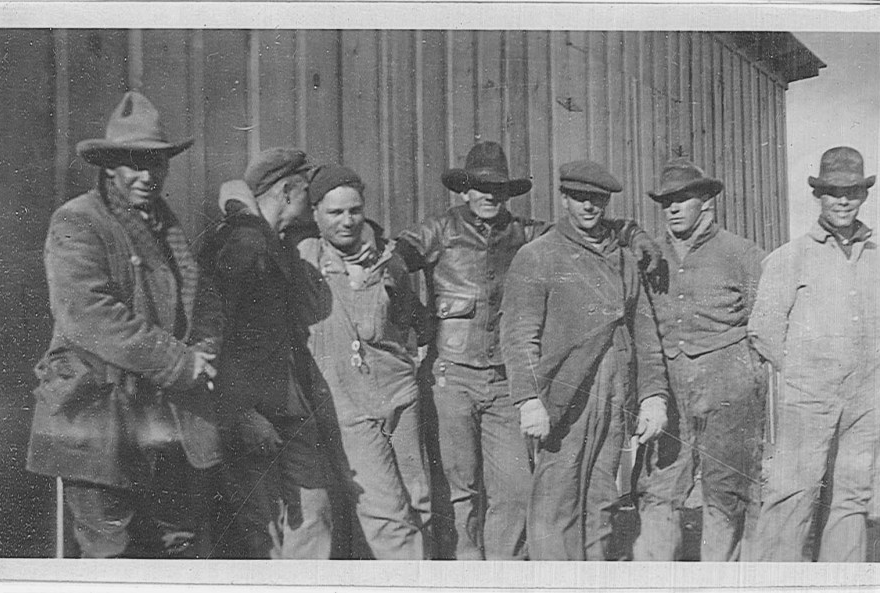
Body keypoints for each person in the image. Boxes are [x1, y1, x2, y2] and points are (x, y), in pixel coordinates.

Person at [395, 142, 660, 560]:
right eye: (480, 188)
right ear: (464, 191)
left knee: (516, 491)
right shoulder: (438, 231)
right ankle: (465, 576)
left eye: (498, 189)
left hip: (504, 382)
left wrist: (635, 234)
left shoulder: (526, 234)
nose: (489, 196)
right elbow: (390, 266)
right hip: (452, 376)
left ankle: (506, 576)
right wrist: (419, 320)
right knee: (458, 489)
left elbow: (591, 226)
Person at [26, 90, 223, 558]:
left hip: (165, 416)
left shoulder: (168, 228)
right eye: (133, 163)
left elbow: (206, 299)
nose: (146, 175)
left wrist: (205, 349)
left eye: (156, 164)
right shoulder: (78, 221)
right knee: (109, 551)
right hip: (98, 415)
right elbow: (88, 317)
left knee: (176, 545)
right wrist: (180, 361)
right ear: (110, 166)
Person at [500, 160, 669, 560]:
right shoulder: (538, 255)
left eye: (597, 199)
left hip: (614, 394)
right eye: (579, 198)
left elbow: (644, 332)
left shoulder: (625, 259)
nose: (589, 207)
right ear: (563, 198)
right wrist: (528, 400)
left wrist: (653, 396)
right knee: (555, 500)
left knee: (602, 497)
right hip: (563, 398)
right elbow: (519, 334)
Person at [748, 146, 880, 562]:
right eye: (833, 192)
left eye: (852, 192)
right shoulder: (790, 258)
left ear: (863, 195)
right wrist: (803, 375)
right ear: (819, 196)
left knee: (851, 496)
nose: (843, 201)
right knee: (794, 492)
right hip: (808, 398)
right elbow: (763, 329)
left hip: (865, 399)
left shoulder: (878, 259)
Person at [199, 148, 333, 559]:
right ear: (289, 191)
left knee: (311, 519)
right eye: (308, 192)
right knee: (265, 532)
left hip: (287, 406)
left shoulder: (268, 242)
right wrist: (241, 415)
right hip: (252, 415)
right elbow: (215, 337)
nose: (313, 203)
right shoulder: (243, 246)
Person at [632, 158, 767, 561]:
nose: (672, 208)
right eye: (666, 202)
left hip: (729, 386)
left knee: (726, 492)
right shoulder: (652, 257)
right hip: (670, 388)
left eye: (681, 200)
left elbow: (768, 321)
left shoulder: (742, 254)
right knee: (659, 489)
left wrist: (748, 374)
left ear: (706, 203)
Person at [295, 164, 432, 559]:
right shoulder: (302, 261)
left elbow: (408, 317)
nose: (347, 221)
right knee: (387, 515)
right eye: (335, 213)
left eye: (354, 210)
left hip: (400, 397)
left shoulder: (389, 259)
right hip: (347, 408)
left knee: (419, 503)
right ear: (315, 211)